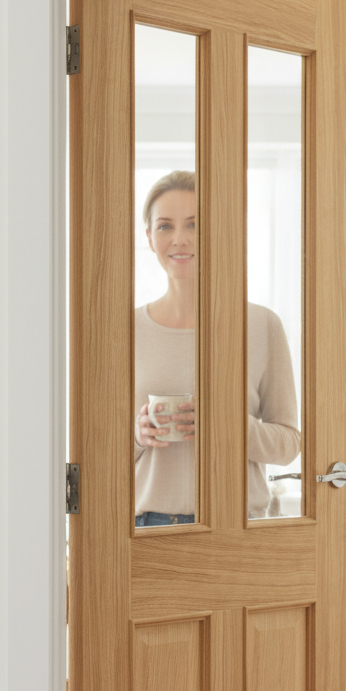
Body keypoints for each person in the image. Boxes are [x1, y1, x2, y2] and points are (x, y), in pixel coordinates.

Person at [134, 170, 300, 525]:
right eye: (165, 226)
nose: (180, 239)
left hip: (240, 527)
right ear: (149, 237)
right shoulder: (126, 331)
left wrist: (229, 425)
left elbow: (288, 444)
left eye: (194, 224)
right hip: (147, 531)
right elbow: (95, 453)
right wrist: (138, 435)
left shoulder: (261, 326)